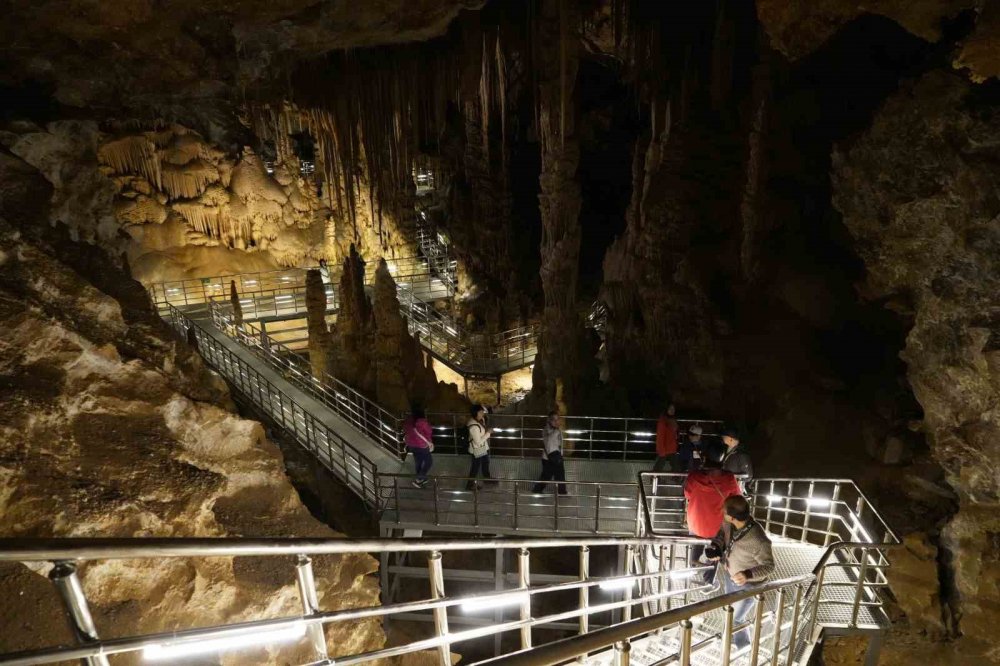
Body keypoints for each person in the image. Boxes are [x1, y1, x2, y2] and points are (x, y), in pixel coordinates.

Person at [705, 495, 775, 652]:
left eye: (724, 510)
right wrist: (715, 547)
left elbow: (769, 566)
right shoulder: (729, 523)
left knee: (737, 618)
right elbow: (722, 533)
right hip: (731, 576)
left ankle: (744, 650)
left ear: (732, 516)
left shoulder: (759, 540)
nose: (722, 512)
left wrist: (748, 574)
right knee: (729, 609)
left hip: (749, 585)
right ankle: (731, 638)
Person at [683, 442, 742, 566]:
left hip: (696, 524)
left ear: (705, 458)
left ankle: (693, 559)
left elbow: (687, 495)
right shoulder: (729, 478)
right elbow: (737, 498)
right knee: (718, 544)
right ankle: (712, 569)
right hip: (717, 528)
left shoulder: (694, 476)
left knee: (696, 537)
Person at [533, 411, 567, 495]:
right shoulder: (548, 430)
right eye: (554, 420)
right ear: (549, 421)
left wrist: (561, 454)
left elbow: (558, 444)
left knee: (554, 475)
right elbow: (550, 442)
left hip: (554, 457)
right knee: (551, 476)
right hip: (551, 457)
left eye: (557, 419)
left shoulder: (557, 430)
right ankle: (561, 492)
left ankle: (561, 492)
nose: (556, 422)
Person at [403, 405, 434, 488]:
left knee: (418, 461)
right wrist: (430, 442)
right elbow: (429, 431)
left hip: (411, 445)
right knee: (428, 462)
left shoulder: (408, 420)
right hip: (421, 445)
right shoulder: (422, 421)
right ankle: (418, 479)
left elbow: (405, 429)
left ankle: (421, 479)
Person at [466, 404, 494, 490]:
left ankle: (487, 479)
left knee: (485, 463)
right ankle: (469, 485)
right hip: (477, 449)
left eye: (482, 411)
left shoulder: (480, 420)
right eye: (481, 411)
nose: (483, 412)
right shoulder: (473, 426)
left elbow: (486, 412)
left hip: (483, 448)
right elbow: (478, 442)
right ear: (476, 413)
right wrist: (488, 433)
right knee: (475, 467)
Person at [652, 403, 679, 472]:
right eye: (670, 409)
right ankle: (655, 479)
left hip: (672, 447)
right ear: (666, 410)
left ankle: (676, 478)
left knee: (675, 465)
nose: (672, 411)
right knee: (660, 465)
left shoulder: (673, 420)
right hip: (665, 447)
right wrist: (661, 450)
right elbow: (660, 437)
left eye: (673, 409)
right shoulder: (663, 421)